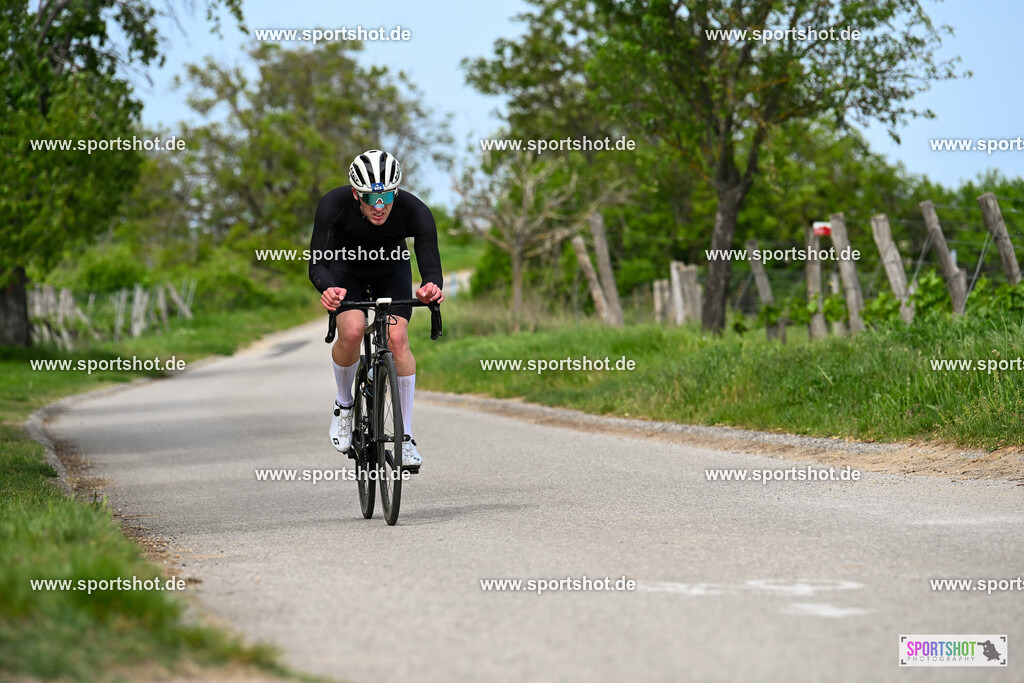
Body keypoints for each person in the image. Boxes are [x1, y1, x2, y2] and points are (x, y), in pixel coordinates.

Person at [309, 149, 443, 467]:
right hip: (346, 269)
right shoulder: (334, 205)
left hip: (392, 268)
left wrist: (431, 287)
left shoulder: (415, 210)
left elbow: (430, 263)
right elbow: (317, 261)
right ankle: (344, 405)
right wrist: (327, 289)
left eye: (385, 196)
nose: (379, 206)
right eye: (371, 197)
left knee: (397, 339)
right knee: (353, 330)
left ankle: (405, 437)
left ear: (395, 190)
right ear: (356, 194)